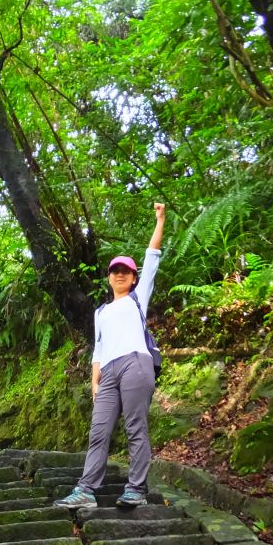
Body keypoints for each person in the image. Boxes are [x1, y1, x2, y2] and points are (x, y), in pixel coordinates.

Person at [55, 203, 166, 509]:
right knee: (99, 430)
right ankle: (86, 490)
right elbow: (99, 348)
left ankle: (137, 489)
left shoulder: (137, 298)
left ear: (133, 278)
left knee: (135, 426)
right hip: (109, 371)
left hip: (136, 362)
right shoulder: (101, 312)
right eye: (115, 271)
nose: (120, 275)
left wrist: (160, 220)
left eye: (125, 271)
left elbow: (152, 257)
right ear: (109, 278)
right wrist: (94, 380)